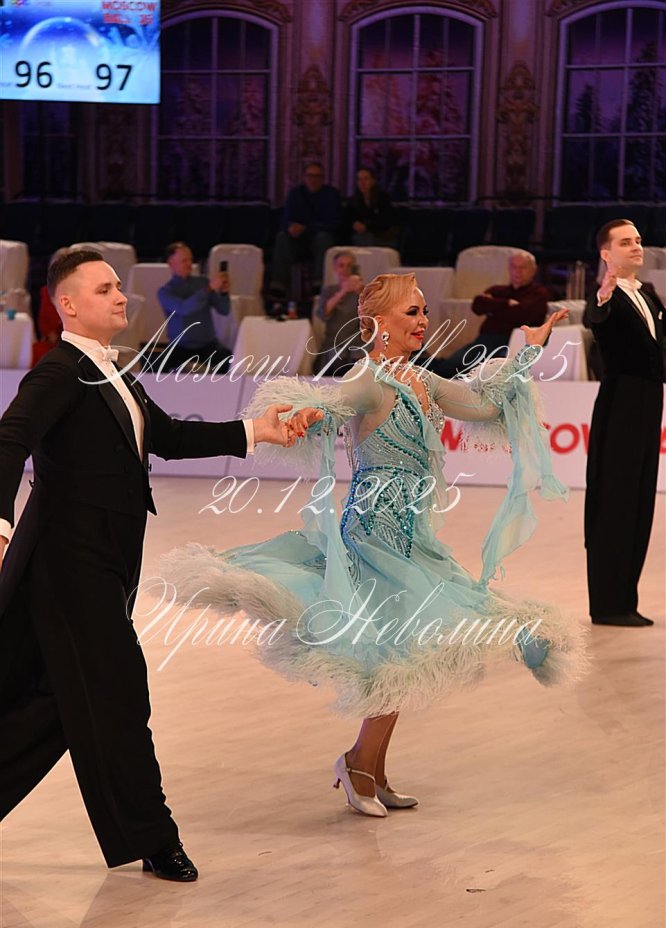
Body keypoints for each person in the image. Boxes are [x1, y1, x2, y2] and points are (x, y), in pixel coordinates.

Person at [163, 273, 585, 819]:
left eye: (424, 311)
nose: (423, 321)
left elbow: (485, 406)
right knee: (395, 652)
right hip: (373, 536)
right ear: (378, 323)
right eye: (411, 312)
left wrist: (527, 351)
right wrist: (308, 413)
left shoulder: (423, 380)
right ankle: (360, 764)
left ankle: (371, 768)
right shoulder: (368, 379)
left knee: (406, 651)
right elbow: (329, 404)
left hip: (412, 538)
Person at [0, 249, 298, 881]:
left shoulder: (114, 372)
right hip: (67, 568)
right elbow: (8, 441)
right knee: (119, 695)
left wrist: (256, 431)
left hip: (106, 563)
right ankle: (155, 837)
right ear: (68, 304)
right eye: (104, 289)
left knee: (54, 702)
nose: (121, 296)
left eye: (119, 286)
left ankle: (144, 833)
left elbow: (166, 436)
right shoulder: (58, 372)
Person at [583, 219, 664, 627]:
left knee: (639, 500)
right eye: (626, 242)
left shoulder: (648, 294)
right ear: (606, 254)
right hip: (621, 403)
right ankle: (608, 604)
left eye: (638, 240)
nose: (636, 247)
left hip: (650, 402)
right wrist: (603, 295)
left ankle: (626, 600)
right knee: (614, 500)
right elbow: (595, 318)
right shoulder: (607, 296)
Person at [429, 252, 549, 378]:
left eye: (522, 267)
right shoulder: (498, 290)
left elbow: (520, 314)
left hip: (512, 343)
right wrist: (506, 303)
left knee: (474, 371)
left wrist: (492, 308)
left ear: (533, 270)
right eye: (514, 267)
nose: (517, 271)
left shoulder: (538, 293)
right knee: (449, 366)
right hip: (484, 341)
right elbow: (477, 305)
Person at [157, 242, 232, 373]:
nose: (189, 264)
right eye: (184, 260)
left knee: (230, 361)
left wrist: (224, 293)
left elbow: (224, 310)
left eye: (190, 260)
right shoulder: (165, 292)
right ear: (171, 262)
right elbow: (184, 309)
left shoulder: (202, 282)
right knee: (156, 368)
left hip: (208, 345)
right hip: (179, 347)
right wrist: (209, 288)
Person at [270, 163, 342, 298]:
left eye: (317, 176)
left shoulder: (331, 195)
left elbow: (333, 223)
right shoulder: (295, 194)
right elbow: (285, 219)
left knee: (323, 238)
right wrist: (291, 227)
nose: (313, 180)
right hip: (298, 242)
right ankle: (278, 286)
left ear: (322, 178)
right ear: (304, 177)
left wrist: (306, 228)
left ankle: (318, 284)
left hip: (319, 241)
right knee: (282, 237)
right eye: (310, 176)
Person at [313, 250, 364, 376]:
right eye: (341, 266)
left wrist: (361, 292)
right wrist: (343, 291)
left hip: (357, 343)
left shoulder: (363, 291)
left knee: (360, 362)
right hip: (334, 343)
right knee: (337, 360)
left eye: (349, 266)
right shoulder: (329, 291)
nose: (345, 270)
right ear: (335, 268)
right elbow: (322, 314)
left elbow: (372, 317)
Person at [345, 167, 398, 247]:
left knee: (367, 238)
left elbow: (386, 221)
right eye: (359, 179)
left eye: (366, 179)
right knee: (362, 237)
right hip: (361, 235)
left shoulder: (383, 198)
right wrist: (354, 224)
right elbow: (348, 219)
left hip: (382, 236)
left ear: (373, 181)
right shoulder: (353, 201)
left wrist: (367, 226)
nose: (362, 183)